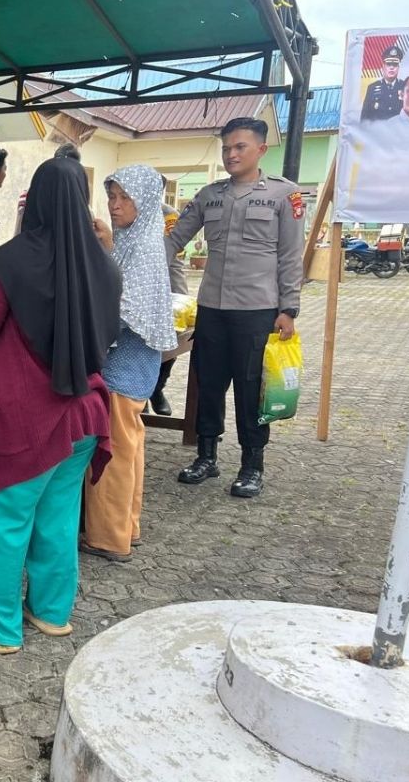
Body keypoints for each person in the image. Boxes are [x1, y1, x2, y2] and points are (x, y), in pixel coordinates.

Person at [0, 157, 120, 654]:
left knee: (1, 519)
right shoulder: (103, 263)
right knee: (57, 518)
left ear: (34, 201)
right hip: (85, 413)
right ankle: (52, 613)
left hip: (28, 417)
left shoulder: (14, 259)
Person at [166, 117, 303, 498]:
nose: (231, 154)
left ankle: (251, 464)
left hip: (257, 310)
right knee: (208, 383)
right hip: (212, 307)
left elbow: (291, 256)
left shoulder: (283, 195)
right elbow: (173, 239)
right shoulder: (209, 195)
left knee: (249, 388)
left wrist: (289, 308)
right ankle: (206, 457)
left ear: (261, 149)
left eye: (240, 147)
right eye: (226, 148)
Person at [85, 166, 177, 561]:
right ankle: (127, 526)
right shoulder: (136, 238)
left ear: (146, 201)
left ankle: (108, 538)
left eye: (125, 198)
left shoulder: (141, 248)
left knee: (113, 453)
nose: (115, 205)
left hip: (124, 366)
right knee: (130, 447)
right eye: (112, 196)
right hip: (135, 366)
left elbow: (122, 308)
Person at [148, 199, 187, 416]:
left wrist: (180, 297)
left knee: (173, 342)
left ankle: (157, 388)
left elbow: (176, 259)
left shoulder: (167, 214)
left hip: (165, 285)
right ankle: (139, 395)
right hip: (131, 289)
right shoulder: (121, 205)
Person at [361, 45, 404, 121]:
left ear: (398, 68)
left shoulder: (405, 87)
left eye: (395, 64)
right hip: (378, 128)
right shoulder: (372, 88)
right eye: (388, 64)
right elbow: (364, 118)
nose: (391, 67)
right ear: (383, 67)